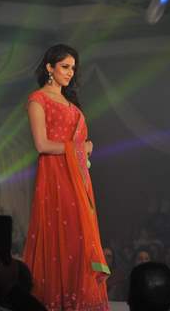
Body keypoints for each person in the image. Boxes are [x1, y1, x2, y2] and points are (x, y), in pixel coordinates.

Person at [23, 44, 110, 310]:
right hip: (55, 180)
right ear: (49, 67)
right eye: (64, 66)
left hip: (76, 181)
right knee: (59, 238)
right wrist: (80, 149)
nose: (70, 72)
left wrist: (84, 151)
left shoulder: (71, 104)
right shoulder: (38, 99)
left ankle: (75, 302)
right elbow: (42, 145)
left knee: (80, 243)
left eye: (73, 67)